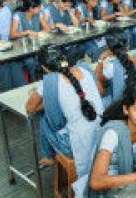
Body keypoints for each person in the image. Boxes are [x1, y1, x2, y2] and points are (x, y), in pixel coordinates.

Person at [26, 44, 104, 175]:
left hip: (76, 145)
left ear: (44, 68)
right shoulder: (84, 68)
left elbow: (30, 108)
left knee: (44, 118)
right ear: (65, 59)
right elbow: (101, 91)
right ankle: (49, 156)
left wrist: (50, 99)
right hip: (102, 134)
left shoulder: (50, 81)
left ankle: (49, 156)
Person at [96, 27, 136, 107]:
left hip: (122, 105)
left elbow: (98, 78)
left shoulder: (112, 67)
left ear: (108, 46)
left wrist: (101, 59)